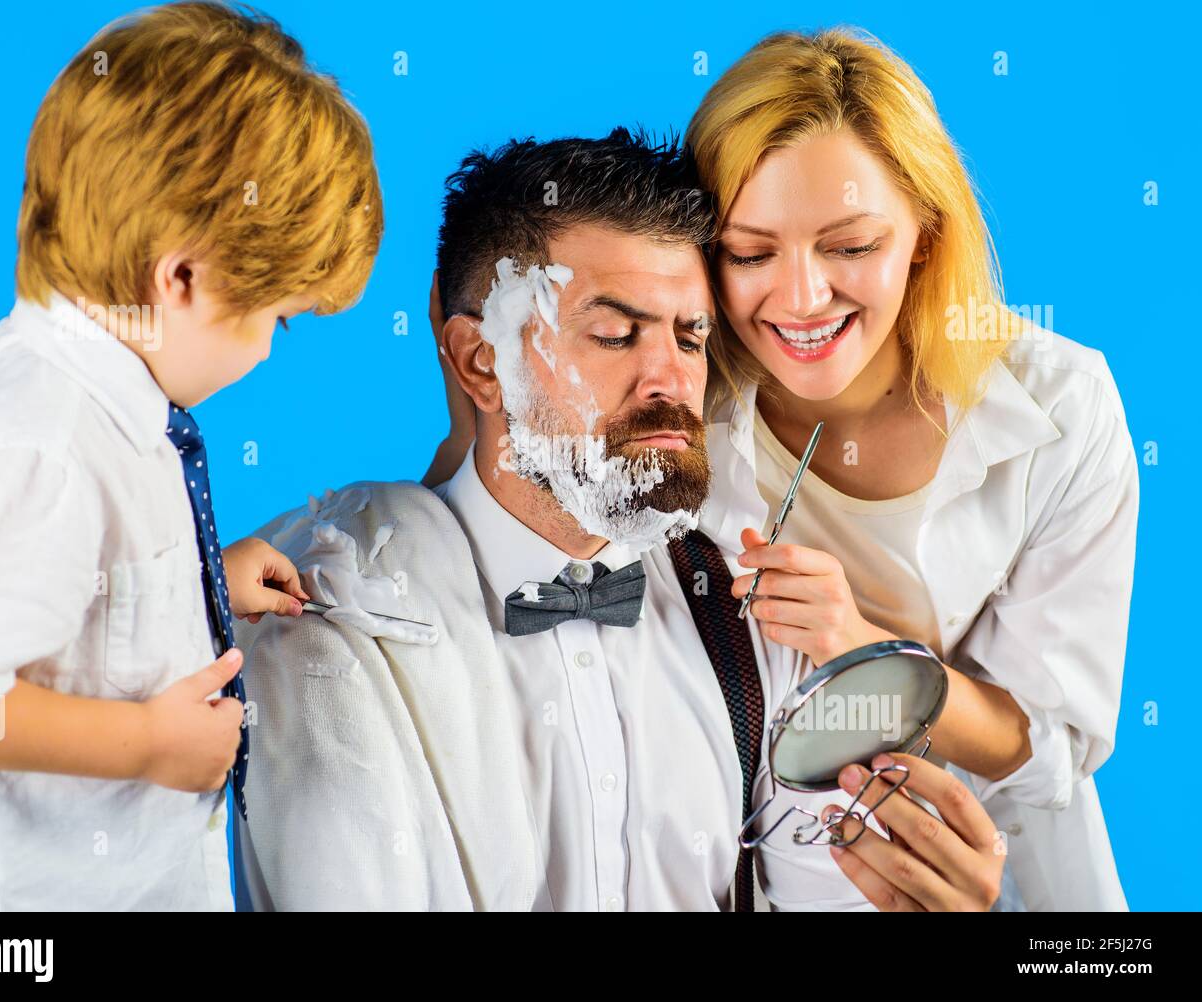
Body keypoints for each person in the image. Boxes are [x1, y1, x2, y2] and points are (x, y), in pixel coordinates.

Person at [238, 128, 1004, 911]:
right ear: (480, 362)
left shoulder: (748, 619)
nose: (673, 378)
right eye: (614, 335)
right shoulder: (334, 610)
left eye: (691, 336)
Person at [0, 1, 381, 910]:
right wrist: (146, 746)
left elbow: (77, 596)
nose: (271, 350)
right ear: (183, 277)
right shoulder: (43, 435)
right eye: (275, 317)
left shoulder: (119, 396)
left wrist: (202, 581)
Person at [683, 28, 1136, 910]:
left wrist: (866, 651)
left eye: (850, 246)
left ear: (924, 234)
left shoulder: (1062, 409)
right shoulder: (677, 407)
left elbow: (1046, 744)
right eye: (750, 252)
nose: (802, 297)